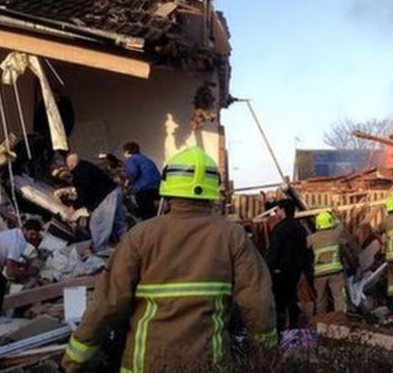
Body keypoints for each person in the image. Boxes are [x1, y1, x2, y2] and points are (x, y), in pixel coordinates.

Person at [62, 147, 277, 373]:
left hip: (144, 365)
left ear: (168, 188)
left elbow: (107, 305)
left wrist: (72, 360)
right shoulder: (233, 237)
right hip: (207, 365)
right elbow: (257, 303)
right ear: (213, 191)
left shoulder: (140, 236)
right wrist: (267, 351)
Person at [0, 220, 43, 337]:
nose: (33, 237)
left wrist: (24, 266)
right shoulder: (18, 242)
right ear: (24, 230)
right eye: (31, 234)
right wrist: (29, 272)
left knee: (0, 283)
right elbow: (10, 272)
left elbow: (6, 261)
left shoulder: (14, 233)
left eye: (35, 235)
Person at [66, 152, 127, 252]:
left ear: (71, 164)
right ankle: (129, 243)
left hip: (105, 197)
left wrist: (74, 207)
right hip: (114, 191)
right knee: (119, 222)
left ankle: (100, 250)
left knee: (97, 224)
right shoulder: (87, 166)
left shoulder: (79, 173)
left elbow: (84, 192)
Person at [266, 199, 310, 330]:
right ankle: (294, 325)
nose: (277, 212)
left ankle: (280, 329)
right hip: (296, 270)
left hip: (280, 270)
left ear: (283, 211)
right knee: (291, 296)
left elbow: (275, 250)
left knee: (279, 300)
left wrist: (270, 268)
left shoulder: (279, 229)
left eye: (278, 210)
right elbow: (304, 248)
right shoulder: (300, 228)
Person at [306, 211, 354, 314]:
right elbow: (341, 225)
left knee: (320, 299)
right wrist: (334, 215)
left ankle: (321, 320)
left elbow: (302, 247)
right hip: (335, 272)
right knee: (339, 297)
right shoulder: (335, 234)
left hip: (319, 273)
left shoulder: (312, 238)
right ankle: (341, 319)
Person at [122, 142, 161, 220]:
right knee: (155, 212)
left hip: (143, 188)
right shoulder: (145, 158)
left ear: (126, 152)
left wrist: (127, 181)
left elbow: (132, 172)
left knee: (147, 215)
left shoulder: (131, 159)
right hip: (157, 187)